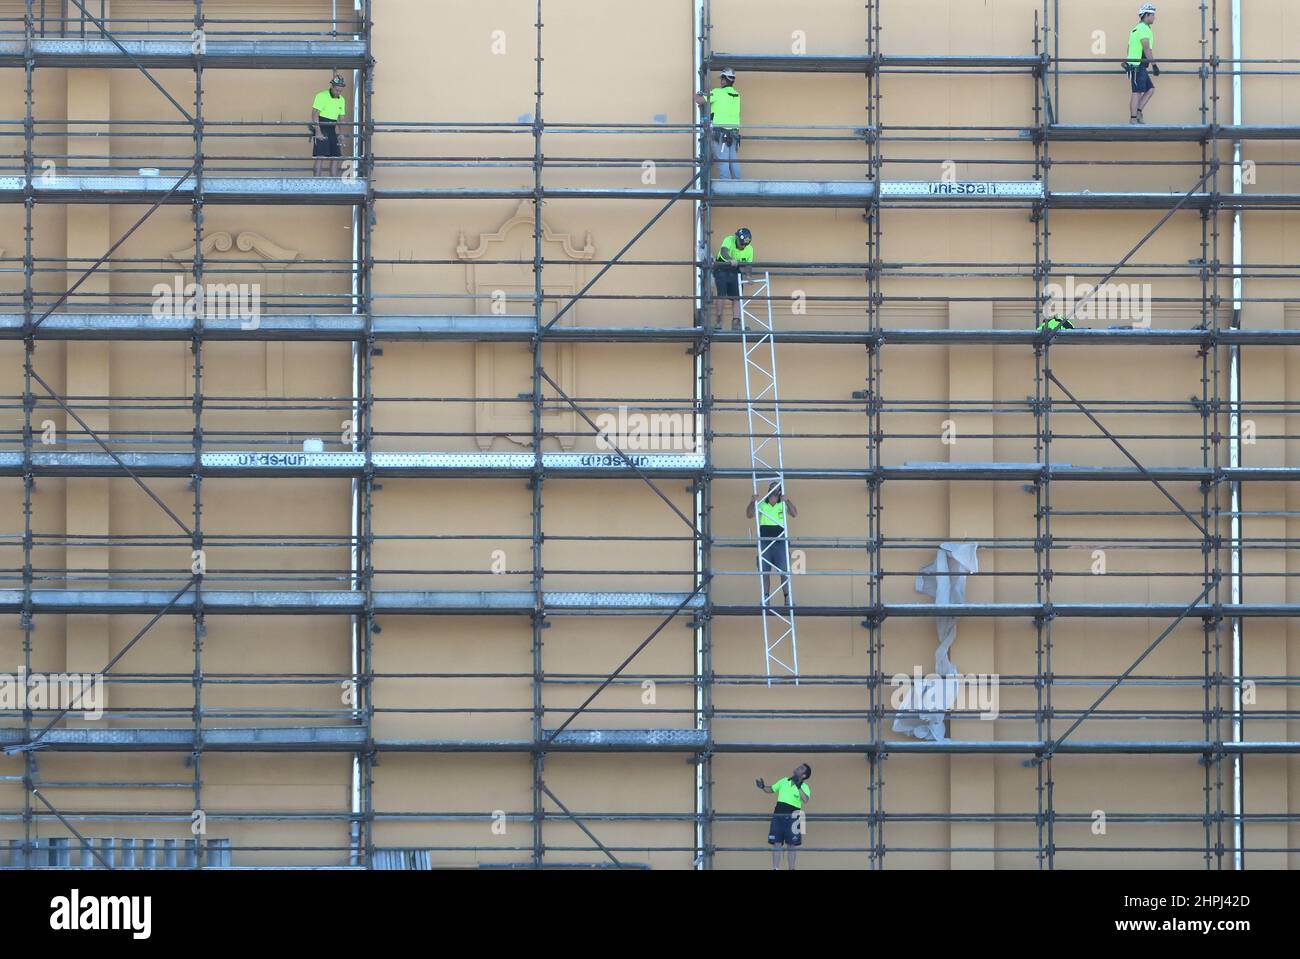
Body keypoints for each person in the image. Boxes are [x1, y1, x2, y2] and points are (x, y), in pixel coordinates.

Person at [746, 481, 797, 607]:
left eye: (777, 486)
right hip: (765, 542)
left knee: (784, 571)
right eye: (772, 486)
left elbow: (794, 513)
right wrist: (753, 501)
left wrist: (787, 500)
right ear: (768, 489)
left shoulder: (783, 504)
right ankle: (766, 598)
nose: (774, 488)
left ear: (780, 490)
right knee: (764, 572)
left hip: (781, 542)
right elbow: (749, 515)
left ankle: (787, 598)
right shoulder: (762, 503)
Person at [756, 764, 812, 870]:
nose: (797, 768)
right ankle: (775, 868)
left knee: (792, 845)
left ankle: (791, 868)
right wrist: (763, 787)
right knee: (776, 843)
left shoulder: (805, 787)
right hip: (778, 814)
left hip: (794, 817)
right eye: (799, 767)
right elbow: (771, 789)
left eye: (801, 769)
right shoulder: (784, 780)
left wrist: (798, 786)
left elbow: (805, 800)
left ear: (804, 775)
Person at [694, 67, 741, 179]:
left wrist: (696, 93)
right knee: (733, 162)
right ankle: (739, 186)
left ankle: (726, 189)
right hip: (733, 135)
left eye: (721, 79)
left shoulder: (717, 92)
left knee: (723, 162)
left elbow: (699, 100)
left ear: (724, 80)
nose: (720, 81)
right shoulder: (737, 95)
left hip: (720, 135)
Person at [712, 227, 753, 331]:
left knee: (737, 296)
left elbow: (748, 264)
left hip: (734, 270)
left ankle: (736, 323)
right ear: (736, 238)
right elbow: (724, 251)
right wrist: (730, 259)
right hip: (721, 267)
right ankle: (719, 321)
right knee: (721, 294)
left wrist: (748, 275)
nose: (742, 246)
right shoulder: (729, 239)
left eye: (745, 245)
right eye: (741, 243)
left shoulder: (749, 249)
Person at [1126, 5, 1159, 124]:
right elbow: (1146, 49)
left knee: (1150, 89)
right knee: (1137, 92)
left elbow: (1129, 47)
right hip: (1137, 65)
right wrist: (1154, 65)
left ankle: (1138, 112)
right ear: (1146, 15)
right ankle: (1133, 119)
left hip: (1137, 64)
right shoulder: (1144, 29)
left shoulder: (1135, 28)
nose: (1154, 17)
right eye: (1153, 15)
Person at [311, 75, 348, 176]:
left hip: (332, 128)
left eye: (341, 91)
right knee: (320, 157)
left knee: (335, 157)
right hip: (321, 125)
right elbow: (314, 114)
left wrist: (341, 134)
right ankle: (316, 184)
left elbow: (341, 118)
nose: (338, 93)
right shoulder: (321, 96)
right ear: (332, 86)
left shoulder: (341, 99)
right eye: (337, 90)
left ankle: (334, 184)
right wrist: (318, 131)